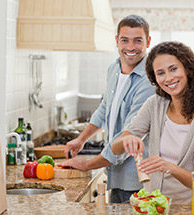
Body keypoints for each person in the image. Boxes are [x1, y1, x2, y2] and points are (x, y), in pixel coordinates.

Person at [57, 15, 154, 203]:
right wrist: (81, 139)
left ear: (148, 42)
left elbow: (129, 139)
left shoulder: (148, 81)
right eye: (125, 40)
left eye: (138, 41)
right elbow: (105, 108)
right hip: (115, 172)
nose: (131, 47)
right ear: (116, 41)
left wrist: (86, 165)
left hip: (136, 179)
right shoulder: (114, 69)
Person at [111, 41, 194, 204]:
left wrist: (169, 167)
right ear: (155, 79)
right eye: (160, 73)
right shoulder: (154, 104)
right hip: (151, 203)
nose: (168, 78)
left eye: (173, 69)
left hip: (185, 207)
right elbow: (115, 148)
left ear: (187, 68)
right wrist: (126, 139)